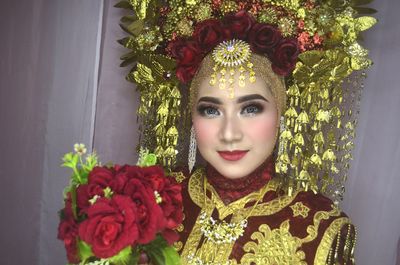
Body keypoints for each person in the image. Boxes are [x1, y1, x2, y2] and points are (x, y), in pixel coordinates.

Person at [119, 2, 376, 264]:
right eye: (210, 111)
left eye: (251, 109)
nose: (229, 134)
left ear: (281, 113)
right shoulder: (151, 200)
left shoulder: (320, 229)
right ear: (191, 116)